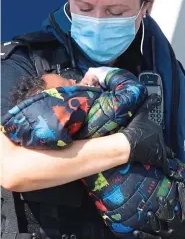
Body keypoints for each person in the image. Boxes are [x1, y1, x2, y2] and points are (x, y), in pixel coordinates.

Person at [1, 0, 185, 239]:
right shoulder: (23, 63)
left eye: (115, 12)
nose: (98, 21)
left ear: (145, 7)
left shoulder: (166, 76)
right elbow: (11, 169)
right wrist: (128, 145)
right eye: (84, 8)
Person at [2, 68, 185, 239]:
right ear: (61, 99)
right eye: (68, 83)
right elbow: (133, 92)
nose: (75, 79)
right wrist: (105, 74)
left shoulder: (53, 139)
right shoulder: (96, 112)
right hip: (161, 189)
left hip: (122, 220)